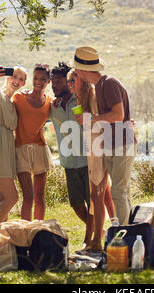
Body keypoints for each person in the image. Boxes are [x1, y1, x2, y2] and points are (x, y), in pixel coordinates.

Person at [49, 62, 114, 251]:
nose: (55, 86)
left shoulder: (81, 99)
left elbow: (101, 115)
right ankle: (98, 230)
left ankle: (89, 239)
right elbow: (36, 115)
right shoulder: (53, 106)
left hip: (87, 159)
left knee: (93, 202)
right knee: (76, 204)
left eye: (59, 82)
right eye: (53, 82)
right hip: (68, 162)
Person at [73, 46, 137, 226]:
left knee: (118, 192)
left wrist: (93, 119)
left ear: (82, 69)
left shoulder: (108, 83)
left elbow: (118, 115)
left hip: (122, 144)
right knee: (122, 192)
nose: (76, 71)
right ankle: (128, 231)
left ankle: (123, 236)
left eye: (77, 68)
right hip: (112, 144)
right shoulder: (99, 86)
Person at [67, 69, 116, 251]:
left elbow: (104, 122)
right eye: (69, 81)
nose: (70, 83)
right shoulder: (81, 100)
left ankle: (97, 241)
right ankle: (115, 230)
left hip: (100, 150)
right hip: (92, 151)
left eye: (74, 79)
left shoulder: (94, 96)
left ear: (84, 80)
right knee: (102, 196)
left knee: (98, 196)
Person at [0, 65, 27, 228]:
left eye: (21, 79)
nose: (17, 81)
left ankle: (1, 239)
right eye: (15, 76)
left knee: (2, 198)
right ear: (8, 78)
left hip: (7, 148)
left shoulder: (13, 103)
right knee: (12, 197)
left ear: (23, 84)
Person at [12, 64, 54, 221]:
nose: (38, 82)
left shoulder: (50, 102)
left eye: (43, 79)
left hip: (40, 149)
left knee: (40, 197)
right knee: (28, 196)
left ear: (48, 81)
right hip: (20, 149)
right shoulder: (19, 97)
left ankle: (38, 232)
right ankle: (25, 233)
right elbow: (4, 111)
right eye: (36, 78)